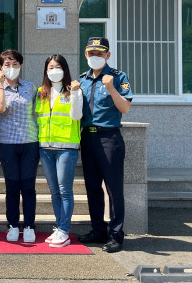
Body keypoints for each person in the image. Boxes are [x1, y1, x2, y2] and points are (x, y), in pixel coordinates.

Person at [77, 37, 132, 253]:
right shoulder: (81, 80)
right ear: (85, 55)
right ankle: (98, 230)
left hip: (109, 137)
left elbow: (125, 108)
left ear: (107, 55)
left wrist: (111, 89)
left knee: (113, 188)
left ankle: (116, 235)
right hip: (87, 138)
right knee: (92, 188)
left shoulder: (117, 77)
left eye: (100, 54)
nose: (95, 57)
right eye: (91, 54)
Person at [0, 49, 39, 243]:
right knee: (12, 187)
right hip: (8, 144)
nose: (11, 68)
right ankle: (12, 225)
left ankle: (29, 225)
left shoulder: (31, 87)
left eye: (15, 64)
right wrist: (2, 84)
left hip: (30, 142)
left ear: (21, 66)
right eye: (7, 65)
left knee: (28, 187)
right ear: (1, 68)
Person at [35, 54, 83, 248]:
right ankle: (59, 227)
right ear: (46, 71)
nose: (54, 71)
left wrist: (76, 95)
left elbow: (77, 115)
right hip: (45, 147)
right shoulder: (41, 92)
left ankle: (64, 229)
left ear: (64, 69)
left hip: (66, 148)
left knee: (65, 190)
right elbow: (38, 117)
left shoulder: (73, 90)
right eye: (50, 67)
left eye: (57, 67)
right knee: (54, 191)